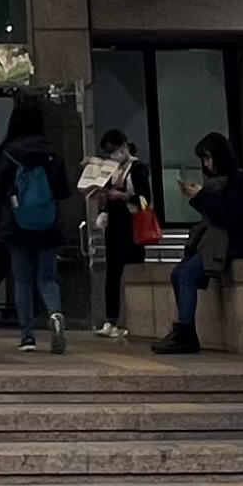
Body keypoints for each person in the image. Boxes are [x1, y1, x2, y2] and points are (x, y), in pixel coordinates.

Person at [151, 132, 243, 358]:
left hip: (231, 243)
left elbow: (227, 214)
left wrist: (200, 196)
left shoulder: (237, 182)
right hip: (214, 243)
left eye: (208, 158)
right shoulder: (218, 184)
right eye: (203, 159)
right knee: (178, 274)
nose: (206, 164)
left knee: (185, 275)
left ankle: (185, 332)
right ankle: (183, 329)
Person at [0, 101, 68, 353]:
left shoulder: (8, 152)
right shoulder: (52, 153)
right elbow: (63, 191)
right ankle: (55, 314)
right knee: (47, 278)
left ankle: (27, 336)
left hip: (17, 226)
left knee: (23, 280)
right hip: (48, 225)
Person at [80, 131, 145, 340]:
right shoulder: (111, 170)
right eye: (109, 152)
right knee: (112, 273)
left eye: (115, 150)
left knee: (132, 271)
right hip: (115, 226)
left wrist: (124, 196)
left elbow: (146, 200)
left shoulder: (138, 169)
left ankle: (132, 319)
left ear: (124, 146)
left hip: (132, 226)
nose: (113, 155)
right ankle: (111, 319)